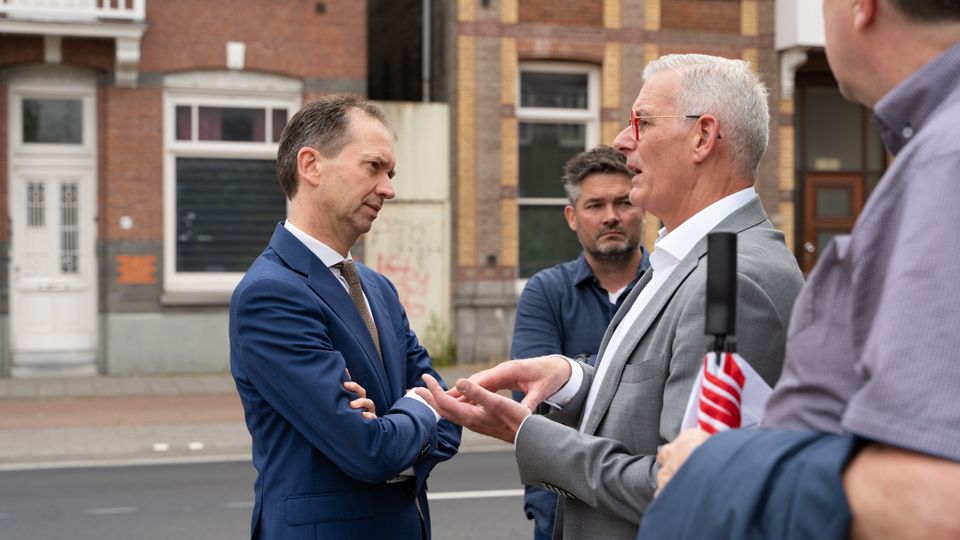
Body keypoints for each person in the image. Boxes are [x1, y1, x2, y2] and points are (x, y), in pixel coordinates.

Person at [419, 54, 804, 540]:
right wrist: (573, 381)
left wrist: (526, 433)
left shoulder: (729, 281)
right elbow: (654, 406)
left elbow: (684, 488)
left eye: (642, 122)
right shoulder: (693, 257)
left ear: (702, 138)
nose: (623, 141)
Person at [645, 2, 960, 539]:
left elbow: (936, 502)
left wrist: (722, 469)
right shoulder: (930, 152)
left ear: (863, 7)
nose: (626, 143)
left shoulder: (945, 163)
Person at [229, 94, 461, 540]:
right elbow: (368, 451)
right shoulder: (270, 294)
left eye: (390, 173)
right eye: (373, 167)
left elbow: (448, 415)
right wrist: (417, 407)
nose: (388, 188)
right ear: (311, 165)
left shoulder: (378, 288)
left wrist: (400, 422)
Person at [512, 145, 650, 540]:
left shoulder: (668, 287)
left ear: (642, 206)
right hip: (562, 506)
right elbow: (535, 401)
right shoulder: (545, 292)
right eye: (595, 205)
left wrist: (574, 375)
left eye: (623, 202)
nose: (611, 216)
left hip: (645, 501)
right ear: (572, 217)